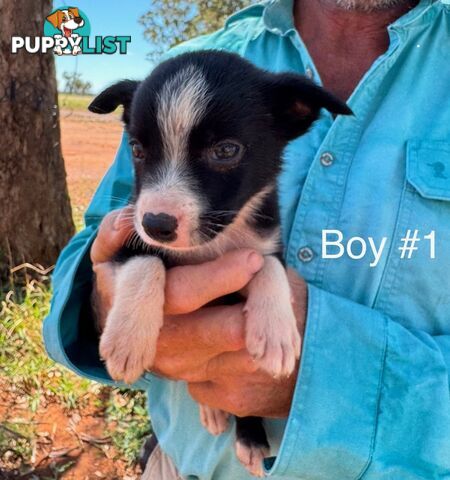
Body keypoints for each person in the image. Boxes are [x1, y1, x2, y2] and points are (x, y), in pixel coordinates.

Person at [44, 0, 450, 478]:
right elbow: (94, 251)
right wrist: (101, 300)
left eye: (224, 151)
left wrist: (332, 375)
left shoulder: (271, 103)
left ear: (298, 116)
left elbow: (262, 265)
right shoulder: (179, 68)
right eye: (141, 148)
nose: (161, 200)